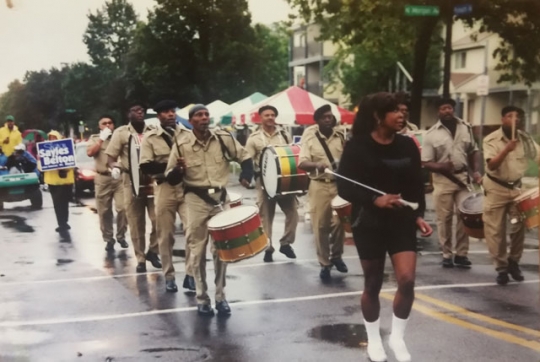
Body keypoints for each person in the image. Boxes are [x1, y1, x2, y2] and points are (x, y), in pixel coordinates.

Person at [337, 92, 432, 362]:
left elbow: (416, 185)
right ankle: (374, 339)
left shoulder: (408, 145)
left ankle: (397, 338)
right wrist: (374, 199)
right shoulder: (357, 146)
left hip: (401, 219)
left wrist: (419, 215)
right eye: (395, 111)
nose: (402, 115)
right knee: (373, 283)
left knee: (407, 280)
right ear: (378, 116)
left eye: (404, 111)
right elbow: (344, 186)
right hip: (368, 221)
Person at [165, 104, 253, 316]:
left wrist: (246, 174)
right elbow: (170, 176)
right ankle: (202, 297)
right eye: (199, 115)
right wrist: (178, 170)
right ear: (191, 120)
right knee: (197, 250)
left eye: (206, 114)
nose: (204, 118)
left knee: (222, 250)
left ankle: (221, 296)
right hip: (195, 199)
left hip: (220, 199)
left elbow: (245, 156)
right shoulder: (181, 143)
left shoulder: (222, 138)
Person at [140, 100, 195, 293]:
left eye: (173, 111)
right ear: (158, 116)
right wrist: (171, 167)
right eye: (166, 112)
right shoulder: (150, 137)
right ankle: (169, 275)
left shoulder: (188, 134)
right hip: (164, 188)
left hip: (187, 188)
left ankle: (191, 274)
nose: (171, 114)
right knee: (166, 235)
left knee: (193, 232)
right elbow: (145, 166)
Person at [483, 106, 540, 285]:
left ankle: (513, 261)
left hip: (516, 189)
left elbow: (538, 157)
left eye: (519, 117)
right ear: (503, 119)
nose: (515, 120)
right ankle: (501, 267)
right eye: (510, 116)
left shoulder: (525, 139)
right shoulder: (491, 139)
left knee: (519, 226)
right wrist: (506, 149)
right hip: (495, 188)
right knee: (495, 230)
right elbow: (491, 165)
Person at [422, 98, 482, 268]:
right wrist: (441, 165)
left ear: (453, 109)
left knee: (466, 215)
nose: (447, 111)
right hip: (443, 180)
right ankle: (447, 253)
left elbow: (473, 151)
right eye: (443, 108)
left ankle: (461, 254)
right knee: (444, 218)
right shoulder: (431, 134)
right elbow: (425, 162)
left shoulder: (465, 128)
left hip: (463, 179)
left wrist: (476, 171)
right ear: (438, 111)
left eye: (449, 108)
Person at [105, 102, 161, 273]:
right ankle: (140, 258)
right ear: (128, 113)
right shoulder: (121, 133)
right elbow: (110, 158)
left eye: (142, 110)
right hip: (131, 180)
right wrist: (116, 167)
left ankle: (153, 250)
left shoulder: (153, 129)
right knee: (136, 222)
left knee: (159, 218)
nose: (140, 113)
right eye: (136, 110)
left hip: (153, 180)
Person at [298, 104, 348, 280]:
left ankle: (337, 256)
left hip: (338, 185)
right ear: (318, 120)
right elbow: (302, 163)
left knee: (340, 222)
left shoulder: (341, 135)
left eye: (330, 116)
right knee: (321, 225)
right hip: (319, 185)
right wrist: (316, 165)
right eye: (324, 117)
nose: (328, 119)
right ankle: (324, 263)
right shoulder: (310, 138)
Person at [245, 105, 298, 262]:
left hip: (285, 180)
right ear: (260, 117)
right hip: (264, 181)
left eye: (273, 115)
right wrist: (247, 175)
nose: (270, 117)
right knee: (266, 216)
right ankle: (268, 247)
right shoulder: (253, 138)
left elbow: (291, 154)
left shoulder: (284, 135)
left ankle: (286, 243)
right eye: (267, 115)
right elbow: (247, 159)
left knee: (293, 212)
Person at [87, 115, 128, 252]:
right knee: (104, 211)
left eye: (110, 123)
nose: (108, 125)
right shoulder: (94, 138)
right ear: (99, 126)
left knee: (123, 208)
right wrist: (101, 139)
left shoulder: (120, 137)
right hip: (102, 178)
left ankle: (121, 236)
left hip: (118, 177)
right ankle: (108, 239)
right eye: (104, 123)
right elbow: (90, 153)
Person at [43, 131, 75, 232]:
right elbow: (41, 167)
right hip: (53, 182)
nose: (52, 140)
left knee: (64, 202)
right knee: (57, 203)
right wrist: (41, 159)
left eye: (54, 138)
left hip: (65, 181)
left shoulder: (65, 148)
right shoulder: (45, 150)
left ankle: (64, 222)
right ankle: (61, 223)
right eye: (50, 138)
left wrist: (63, 168)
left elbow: (71, 165)